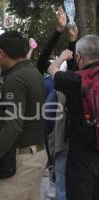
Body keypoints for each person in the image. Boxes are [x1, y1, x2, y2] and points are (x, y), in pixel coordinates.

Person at [0, 31, 47, 200]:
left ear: (2, 53)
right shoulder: (34, 72)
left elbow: (13, 126)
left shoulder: (15, 78)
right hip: (36, 156)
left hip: (20, 162)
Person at [48, 35, 99, 200]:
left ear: (79, 57)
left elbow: (52, 70)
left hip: (82, 154)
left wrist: (63, 56)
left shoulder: (74, 80)